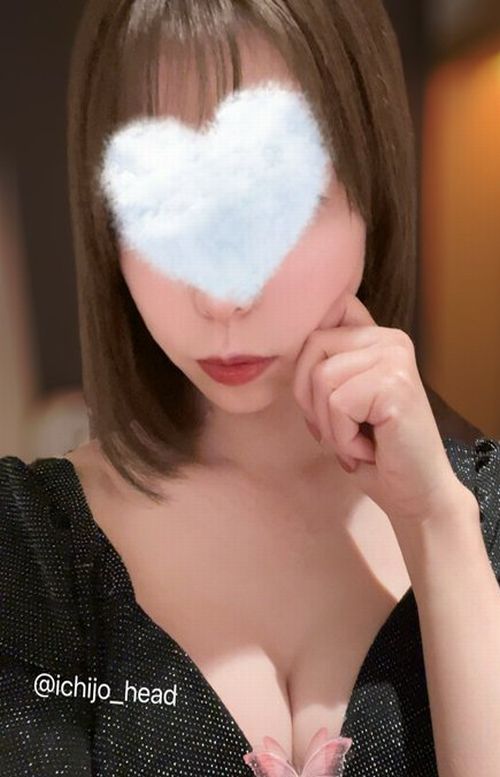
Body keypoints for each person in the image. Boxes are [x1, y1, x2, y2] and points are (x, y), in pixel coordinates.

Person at [1, 1, 499, 776]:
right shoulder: (29, 551)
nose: (221, 294)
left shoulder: (478, 518)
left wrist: (440, 527)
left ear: (371, 191)